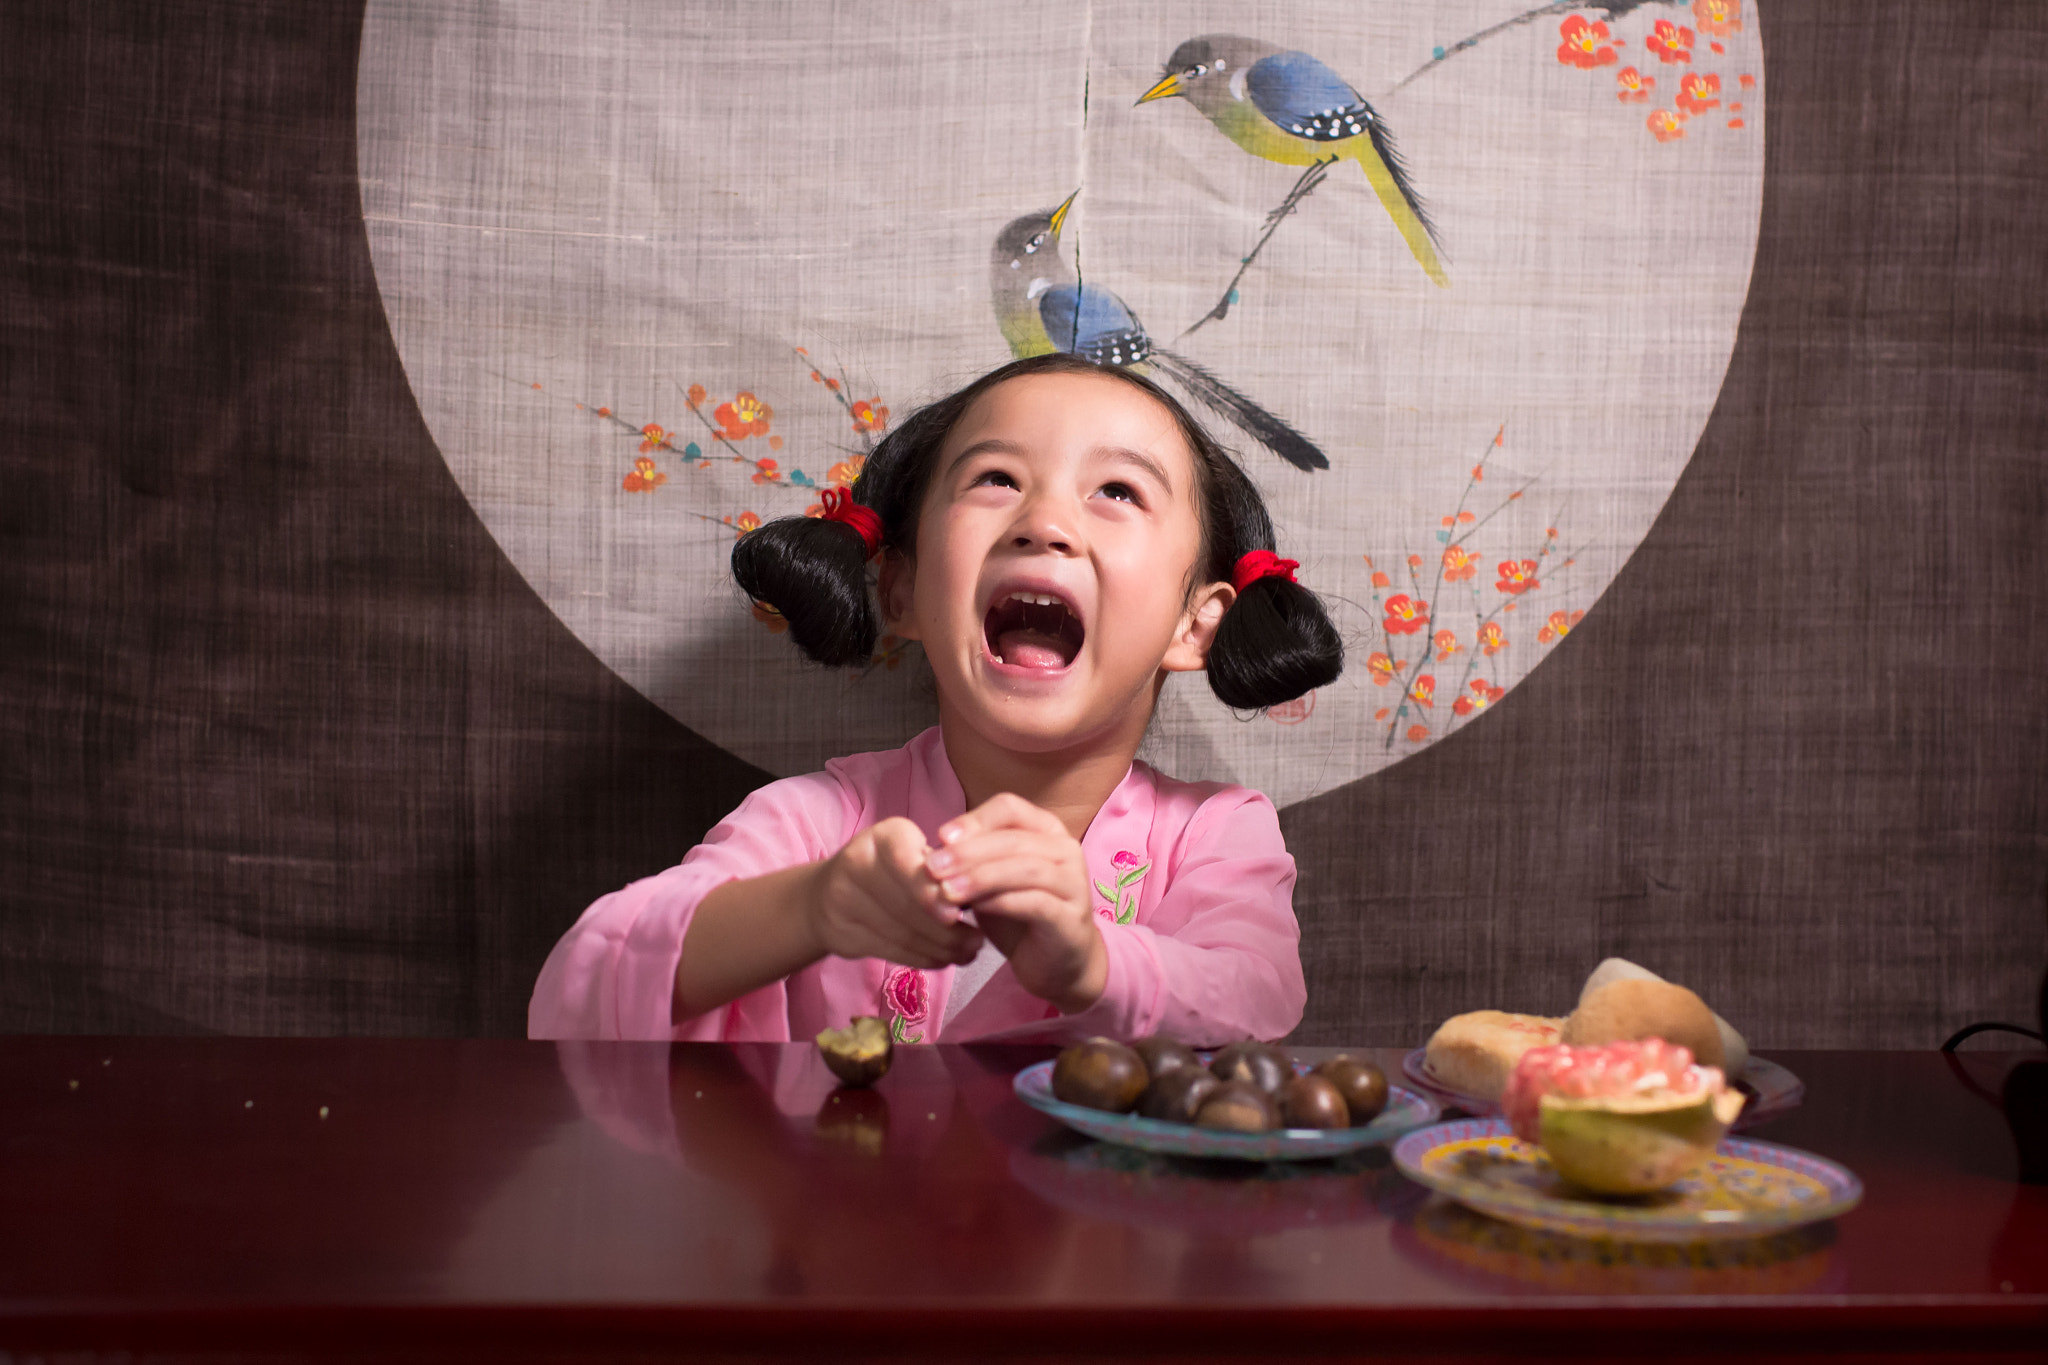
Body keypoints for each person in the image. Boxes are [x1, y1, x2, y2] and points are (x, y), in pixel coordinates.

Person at [529, 352, 1342, 1045]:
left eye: (1118, 491)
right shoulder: (818, 822)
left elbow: (1257, 996)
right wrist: (814, 906)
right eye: (996, 478)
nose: (1045, 521)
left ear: (1194, 626)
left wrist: (1089, 961)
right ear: (904, 590)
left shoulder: (1217, 832)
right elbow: (578, 990)